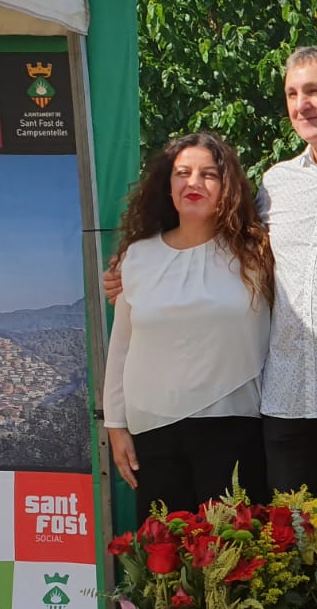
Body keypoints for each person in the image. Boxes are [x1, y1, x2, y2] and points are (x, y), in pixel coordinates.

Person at [105, 46, 317, 493]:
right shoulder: (274, 185)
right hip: (288, 401)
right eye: (292, 93)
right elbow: (221, 248)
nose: (302, 105)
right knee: (290, 549)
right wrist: (140, 277)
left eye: (315, 91)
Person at [104, 132, 273, 518]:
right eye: (183, 172)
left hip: (234, 427)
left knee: (236, 563)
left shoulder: (257, 254)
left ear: (227, 186)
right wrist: (115, 426)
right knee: (169, 567)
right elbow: (122, 346)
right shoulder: (138, 257)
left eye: (208, 174)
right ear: (168, 183)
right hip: (154, 431)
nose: (193, 183)